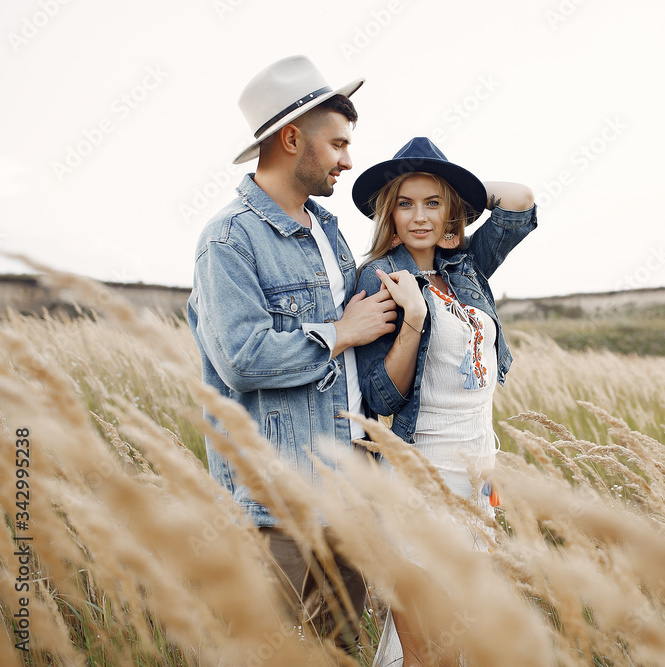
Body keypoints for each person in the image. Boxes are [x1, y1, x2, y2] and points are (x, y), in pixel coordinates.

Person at [186, 55, 398, 650]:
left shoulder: (327, 229)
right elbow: (243, 358)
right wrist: (340, 332)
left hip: (351, 482)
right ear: (290, 138)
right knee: (263, 651)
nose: (348, 160)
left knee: (338, 648)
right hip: (275, 494)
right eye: (337, 144)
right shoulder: (227, 240)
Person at [352, 137, 536, 665]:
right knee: (424, 648)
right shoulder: (379, 276)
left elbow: (519, 201)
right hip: (421, 467)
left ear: (452, 210)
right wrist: (412, 320)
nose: (419, 217)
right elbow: (382, 394)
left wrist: (457, 185)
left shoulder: (466, 266)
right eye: (405, 203)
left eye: (433, 203)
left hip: (477, 464)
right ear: (389, 212)